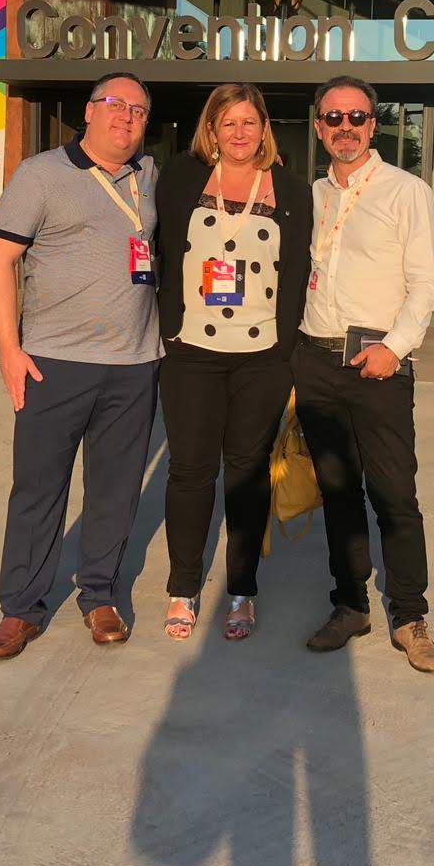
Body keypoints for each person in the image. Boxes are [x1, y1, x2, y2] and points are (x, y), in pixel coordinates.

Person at [0, 71, 162, 659]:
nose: (126, 116)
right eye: (115, 104)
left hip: (134, 364)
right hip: (53, 362)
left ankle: (100, 595)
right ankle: (20, 609)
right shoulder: (41, 174)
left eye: (138, 110)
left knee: (116, 489)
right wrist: (9, 349)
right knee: (38, 489)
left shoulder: (148, 176)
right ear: (89, 111)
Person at [293, 75, 434, 673]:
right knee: (337, 492)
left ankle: (409, 615)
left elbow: (427, 286)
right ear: (319, 127)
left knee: (394, 494)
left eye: (356, 117)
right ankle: (351, 604)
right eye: (334, 118)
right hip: (316, 359)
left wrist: (395, 348)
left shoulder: (406, 191)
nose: (345, 128)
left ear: (373, 125)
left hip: (378, 363)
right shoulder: (313, 194)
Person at [153, 83, 313, 641]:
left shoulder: (293, 190)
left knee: (247, 474)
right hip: (191, 353)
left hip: (262, 357)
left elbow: (298, 274)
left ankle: (242, 590)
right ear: (211, 130)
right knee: (190, 472)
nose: (239, 133)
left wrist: (289, 356)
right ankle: (183, 587)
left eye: (249, 122)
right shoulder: (181, 178)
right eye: (228, 123)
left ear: (265, 129)